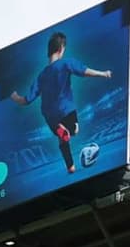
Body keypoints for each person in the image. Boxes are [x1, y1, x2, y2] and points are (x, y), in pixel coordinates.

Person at [11, 31, 112, 174]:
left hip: (49, 114)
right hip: (66, 108)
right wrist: (103, 73)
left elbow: (26, 100)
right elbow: (84, 71)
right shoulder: (66, 63)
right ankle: (69, 130)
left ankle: (70, 167)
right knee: (75, 129)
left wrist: (14, 97)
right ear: (61, 49)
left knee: (62, 139)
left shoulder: (41, 76)